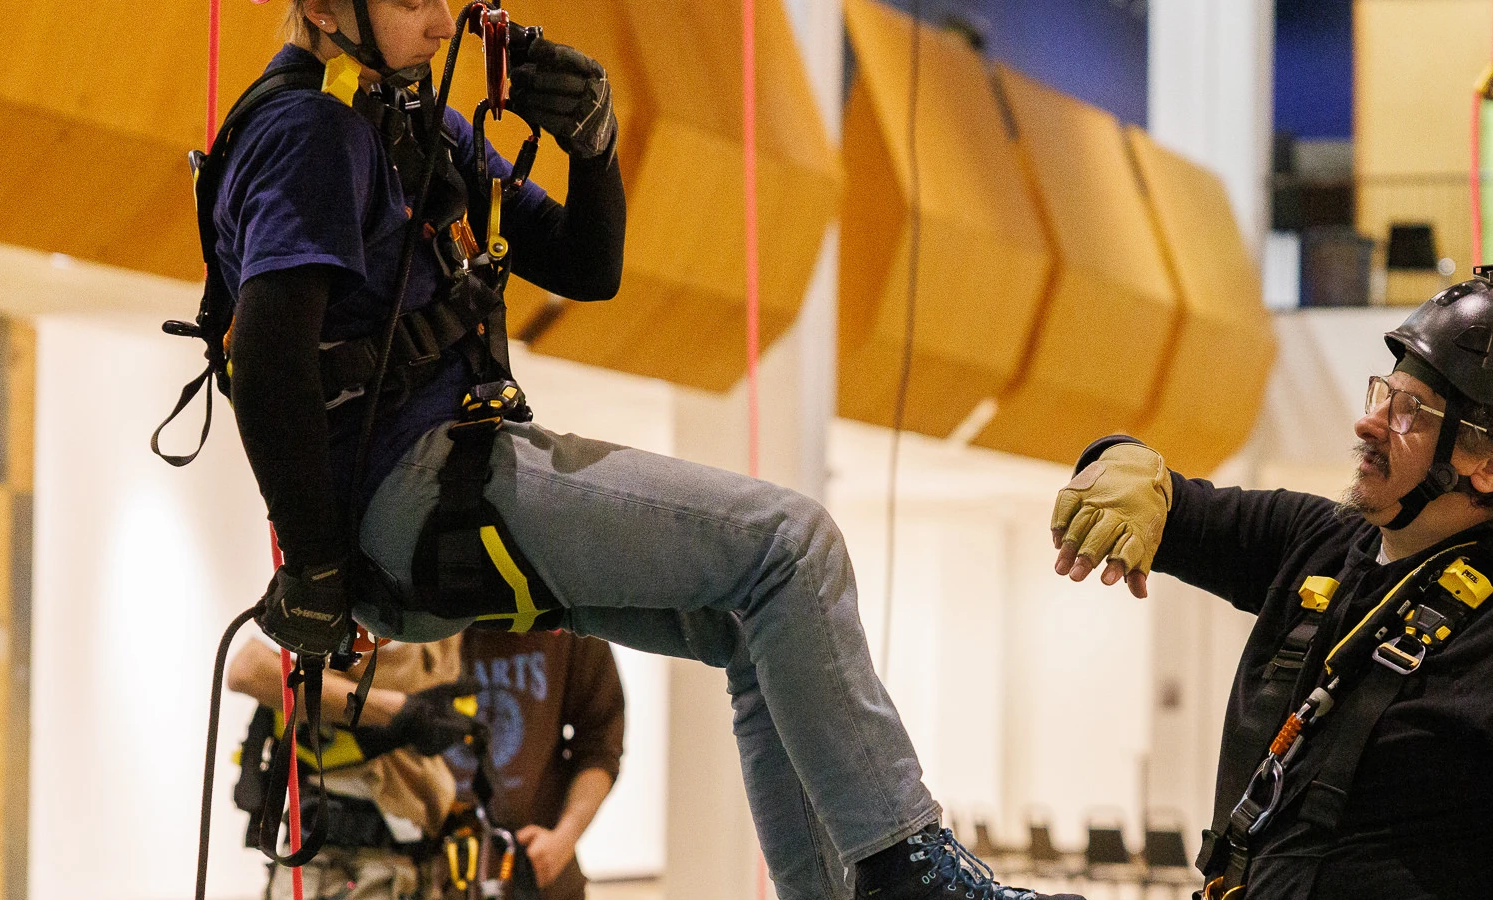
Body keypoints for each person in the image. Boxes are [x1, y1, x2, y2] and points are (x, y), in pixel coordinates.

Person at [196, 3, 1075, 898]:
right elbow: (268, 364)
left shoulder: (412, 121)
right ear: (321, 5)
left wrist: (594, 145)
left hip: (443, 477)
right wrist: (313, 570)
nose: (437, 18)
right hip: (412, 492)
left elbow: (588, 266)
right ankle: (912, 874)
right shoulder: (308, 129)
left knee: (758, 618)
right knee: (791, 546)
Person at [1051, 265, 1493, 899]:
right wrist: (1115, 464)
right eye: (1383, 394)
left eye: (1411, 411)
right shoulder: (1323, 542)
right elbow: (1168, 502)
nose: (1371, 423)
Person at [226, 637, 481, 899]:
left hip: (415, 861)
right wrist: (395, 712)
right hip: (340, 864)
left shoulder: (446, 616)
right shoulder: (357, 606)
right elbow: (249, 669)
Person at [450, 629, 627, 900]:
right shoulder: (409, 611)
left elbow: (600, 746)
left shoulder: (567, 616)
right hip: (426, 875)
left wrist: (564, 839)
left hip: (540, 879)